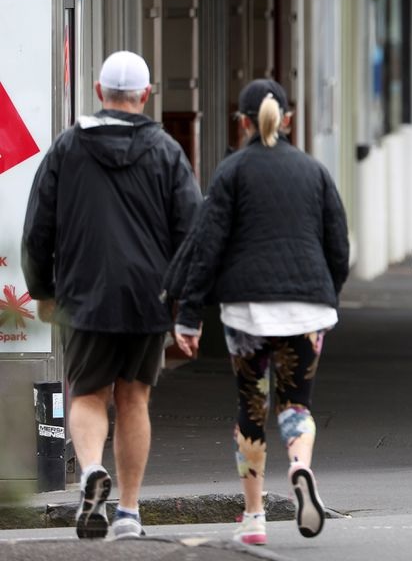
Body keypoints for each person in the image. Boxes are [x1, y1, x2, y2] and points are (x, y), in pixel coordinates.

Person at [21, 50, 203, 539]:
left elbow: (39, 225)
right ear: (145, 96)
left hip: (84, 294)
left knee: (87, 393)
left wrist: (43, 289)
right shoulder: (167, 151)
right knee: (133, 399)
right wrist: (188, 307)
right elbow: (192, 234)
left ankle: (89, 474)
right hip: (148, 298)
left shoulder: (67, 148)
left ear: (99, 93)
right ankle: (127, 512)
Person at [168, 79, 350, 545]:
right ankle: (301, 466)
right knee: (297, 404)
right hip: (307, 306)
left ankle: (254, 518)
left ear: (244, 122)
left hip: (247, 309)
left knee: (251, 406)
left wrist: (189, 314)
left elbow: (207, 247)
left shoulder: (232, 171)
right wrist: (328, 295)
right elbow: (338, 246)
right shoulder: (314, 172)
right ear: (287, 119)